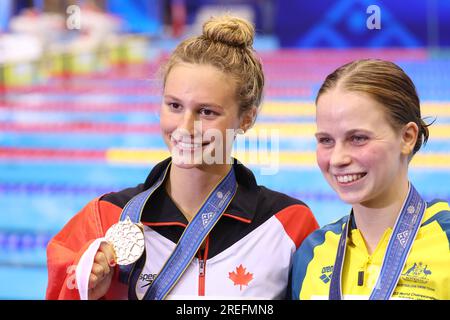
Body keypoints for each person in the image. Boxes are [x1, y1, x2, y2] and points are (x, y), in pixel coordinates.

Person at [46, 15, 319, 300]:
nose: (185, 128)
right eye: (175, 105)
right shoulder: (104, 219)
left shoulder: (288, 225)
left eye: (207, 112)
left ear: (246, 118)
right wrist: (93, 294)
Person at [291, 59, 450, 300]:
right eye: (326, 140)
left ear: (407, 137)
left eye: (358, 138)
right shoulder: (313, 252)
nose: (337, 159)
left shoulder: (445, 238)